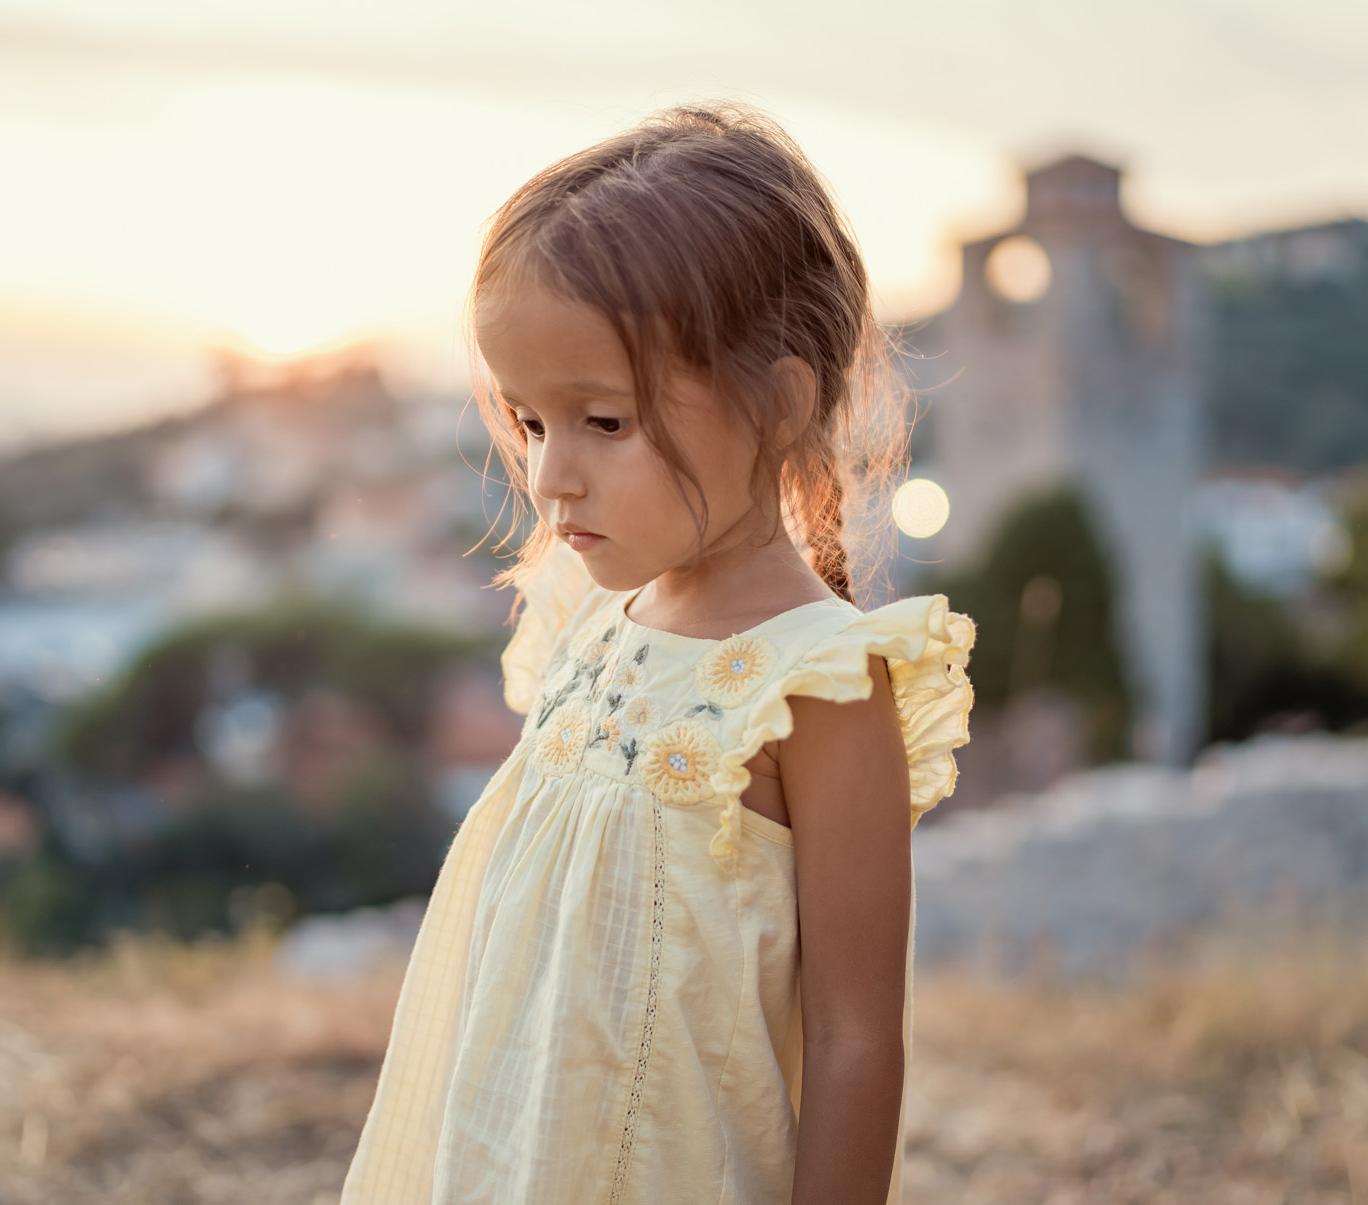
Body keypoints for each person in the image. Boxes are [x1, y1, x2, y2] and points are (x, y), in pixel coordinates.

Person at [341, 104, 974, 1205]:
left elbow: (856, 1036)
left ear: (778, 403)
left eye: (604, 422)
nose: (548, 479)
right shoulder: (589, 620)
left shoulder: (813, 682)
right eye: (531, 424)